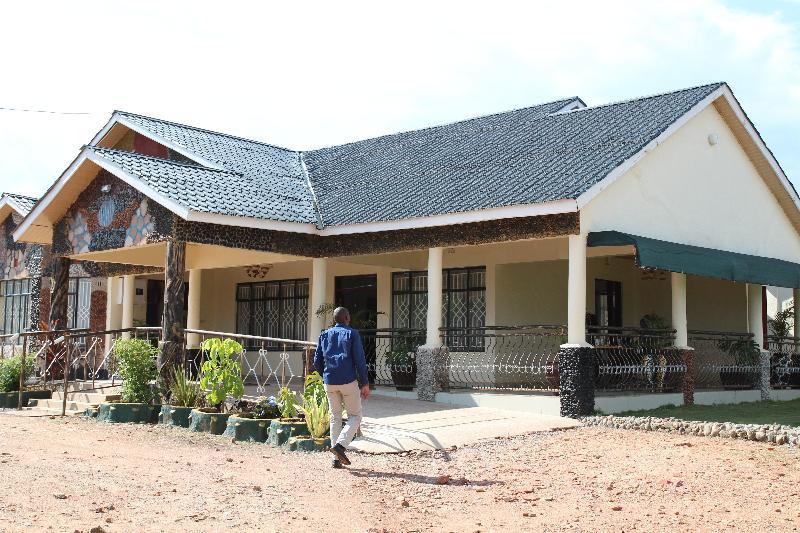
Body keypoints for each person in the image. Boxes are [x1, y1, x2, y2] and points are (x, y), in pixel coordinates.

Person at [313, 306, 370, 468]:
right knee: (355, 416)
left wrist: (326, 376)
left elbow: (316, 361)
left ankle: (336, 460)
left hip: (329, 382)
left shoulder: (324, 334)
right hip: (348, 381)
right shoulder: (352, 334)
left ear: (334, 319)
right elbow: (359, 360)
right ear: (347, 318)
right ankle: (340, 446)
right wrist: (364, 383)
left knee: (335, 417)